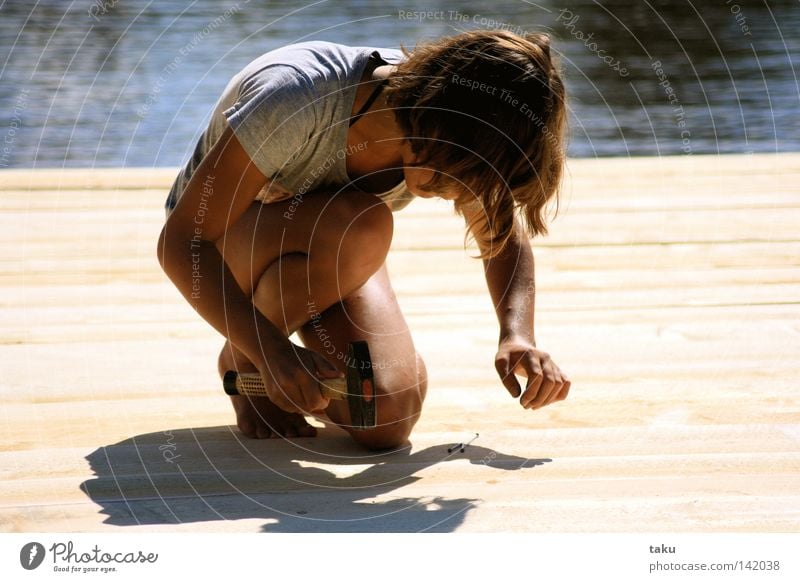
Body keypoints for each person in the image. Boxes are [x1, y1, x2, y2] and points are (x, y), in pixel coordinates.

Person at [157, 29, 571, 450]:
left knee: (386, 414)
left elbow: (501, 236)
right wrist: (270, 353)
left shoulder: (451, 123)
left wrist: (517, 334)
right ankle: (248, 359)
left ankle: (264, 355)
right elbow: (181, 242)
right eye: (455, 172)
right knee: (365, 224)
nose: (456, 191)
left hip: (336, 252)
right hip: (222, 246)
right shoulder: (296, 97)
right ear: (433, 113)